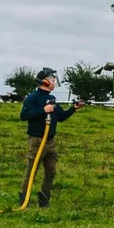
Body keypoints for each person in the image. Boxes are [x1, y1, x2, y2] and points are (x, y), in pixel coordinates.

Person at [18, 68, 85, 208]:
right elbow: (24, 115)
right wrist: (43, 110)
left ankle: (44, 201)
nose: (55, 83)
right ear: (45, 81)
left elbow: (61, 117)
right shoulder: (33, 97)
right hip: (37, 141)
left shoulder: (52, 99)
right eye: (53, 81)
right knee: (32, 171)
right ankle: (24, 200)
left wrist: (73, 109)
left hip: (50, 141)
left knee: (51, 171)